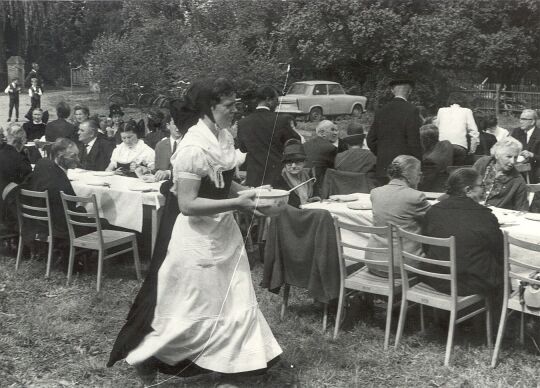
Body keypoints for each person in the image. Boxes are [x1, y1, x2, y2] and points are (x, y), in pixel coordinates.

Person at [107, 77, 282, 385]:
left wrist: (252, 195)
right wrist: (237, 203)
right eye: (229, 106)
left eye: (235, 104)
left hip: (223, 234)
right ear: (208, 107)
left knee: (233, 300)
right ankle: (149, 356)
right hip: (195, 239)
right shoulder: (192, 147)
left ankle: (233, 367)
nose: (235, 111)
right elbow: (187, 203)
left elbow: (225, 180)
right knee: (192, 307)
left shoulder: (224, 136)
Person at [421, 168, 503, 301]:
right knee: (501, 272)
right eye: (481, 186)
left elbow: (426, 246)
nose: (483, 190)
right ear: (468, 190)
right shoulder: (484, 215)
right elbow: (499, 251)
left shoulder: (433, 211)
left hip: (435, 278)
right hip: (466, 284)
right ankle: (497, 319)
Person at [366, 155, 431, 277]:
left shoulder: (375, 193)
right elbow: (434, 220)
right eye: (419, 172)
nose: (420, 176)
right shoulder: (416, 197)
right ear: (410, 174)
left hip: (373, 262)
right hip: (403, 265)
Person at [237, 85, 300, 188]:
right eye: (276, 101)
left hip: (254, 178)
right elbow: (295, 142)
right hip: (277, 177)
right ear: (268, 100)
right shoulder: (281, 120)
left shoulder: (242, 122)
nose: (277, 104)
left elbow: (243, 149)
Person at [366, 78, 422, 186]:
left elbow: (370, 140)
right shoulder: (412, 110)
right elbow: (414, 142)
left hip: (383, 167)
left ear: (392, 90)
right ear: (410, 91)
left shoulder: (381, 111)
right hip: (404, 170)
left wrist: (383, 152)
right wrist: (418, 164)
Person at [26, 138, 80, 241]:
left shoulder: (42, 166)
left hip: (40, 224)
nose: (78, 160)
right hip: (61, 229)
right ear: (60, 157)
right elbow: (71, 210)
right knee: (105, 224)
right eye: (73, 156)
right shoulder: (59, 181)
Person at [472, 137, 528, 211]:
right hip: (471, 210)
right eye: (509, 156)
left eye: (515, 157)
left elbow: (522, 209)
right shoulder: (482, 163)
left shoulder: (517, 180)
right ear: (497, 155)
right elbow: (466, 184)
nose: (512, 162)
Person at [0, 125, 32, 230]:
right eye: (24, 141)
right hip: (9, 214)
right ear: (19, 141)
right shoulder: (20, 160)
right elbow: (30, 183)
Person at [436, 96, 480, 165]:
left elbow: (436, 128)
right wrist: (472, 150)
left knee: (442, 171)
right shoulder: (467, 111)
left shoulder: (441, 110)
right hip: (459, 146)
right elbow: (474, 132)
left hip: (443, 146)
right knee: (456, 170)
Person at [276, 139, 318, 208]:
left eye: (297, 162)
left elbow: (307, 198)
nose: (293, 166)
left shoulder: (308, 176)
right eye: (289, 163)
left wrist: (312, 200)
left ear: (304, 163)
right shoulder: (280, 178)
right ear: (284, 164)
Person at [303, 119, 339, 195]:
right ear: (322, 132)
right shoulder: (331, 148)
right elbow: (336, 170)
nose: (334, 133)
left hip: (304, 183)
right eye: (332, 130)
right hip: (321, 186)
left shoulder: (304, 145)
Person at [418, 124, 454, 192]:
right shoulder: (447, 144)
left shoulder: (429, 160)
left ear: (426, 140)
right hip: (447, 185)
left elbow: (425, 185)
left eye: (420, 139)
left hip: (433, 191)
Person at [154, 111, 183, 181]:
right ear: (168, 126)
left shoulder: (189, 145)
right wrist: (146, 170)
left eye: (181, 123)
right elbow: (157, 170)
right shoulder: (160, 145)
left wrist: (168, 173)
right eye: (175, 124)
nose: (178, 127)